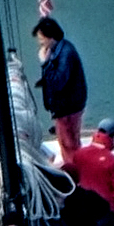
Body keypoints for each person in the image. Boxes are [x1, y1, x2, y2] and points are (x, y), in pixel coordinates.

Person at [32, 17, 87, 155]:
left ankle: (74, 172)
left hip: (68, 109)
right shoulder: (57, 51)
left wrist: (45, 63)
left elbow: (58, 82)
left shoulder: (65, 54)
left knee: (69, 146)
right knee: (69, 143)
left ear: (50, 37)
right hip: (65, 107)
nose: (40, 42)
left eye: (41, 38)